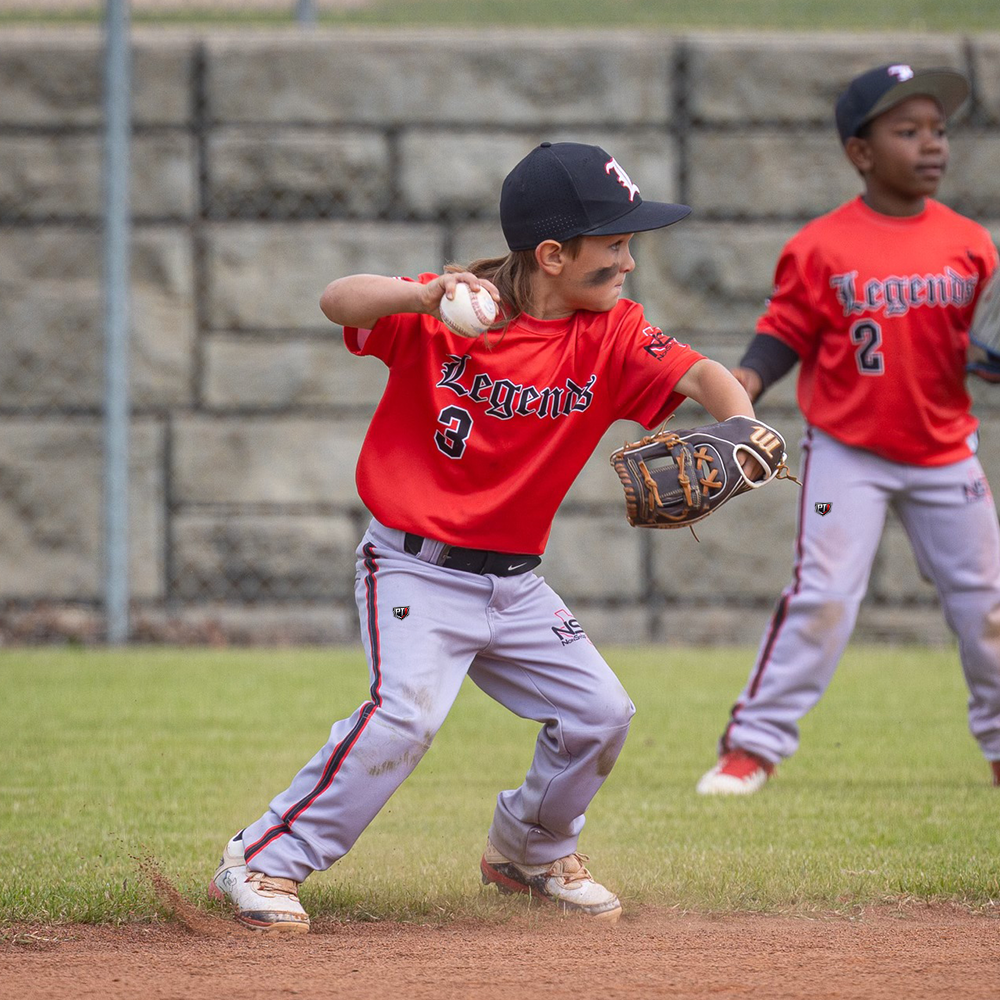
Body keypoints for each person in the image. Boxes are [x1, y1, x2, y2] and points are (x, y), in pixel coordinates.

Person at [206, 140, 764, 933]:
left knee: (602, 713)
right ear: (551, 254)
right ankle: (263, 860)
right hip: (414, 569)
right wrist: (424, 295)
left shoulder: (611, 333)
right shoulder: (446, 311)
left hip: (514, 583)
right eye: (614, 246)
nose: (629, 263)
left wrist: (741, 422)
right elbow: (338, 298)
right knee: (406, 717)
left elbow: (703, 375)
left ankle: (529, 853)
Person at [696, 64, 1000, 796]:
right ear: (860, 152)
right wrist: (745, 386)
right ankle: (752, 748)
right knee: (825, 596)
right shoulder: (822, 245)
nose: (931, 145)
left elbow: (981, 355)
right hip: (848, 451)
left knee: (988, 606)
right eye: (907, 131)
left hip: (942, 451)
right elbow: (784, 332)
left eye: (937, 130)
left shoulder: (971, 246)